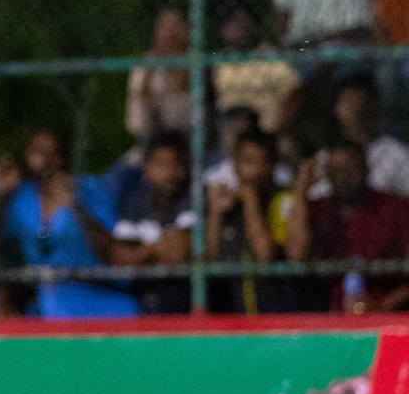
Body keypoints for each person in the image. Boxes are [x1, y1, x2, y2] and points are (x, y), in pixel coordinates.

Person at [0, 127, 138, 319]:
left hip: (104, 301)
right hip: (51, 309)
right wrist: (1, 197)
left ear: (65, 156)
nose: (46, 160)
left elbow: (110, 250)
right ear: (27, 155)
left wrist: (76, 207)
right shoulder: (21, 199)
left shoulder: (89, 188)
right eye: (39, 152)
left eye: (54, 153)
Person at [288, 142, 409, 313]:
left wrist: (383, 306)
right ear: (327, 174)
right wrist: (301, 190)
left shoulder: (395, 208)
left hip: (390, 315)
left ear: (366, 169)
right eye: (336, 170)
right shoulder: (317, 210)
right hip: (326, 316)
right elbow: (295, 256)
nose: (344, 176)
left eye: (351, 168)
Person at [206, 130, 297, 315]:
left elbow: (265, 256)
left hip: (278, 318)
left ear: (274, 164)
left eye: (264, 162)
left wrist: (250, 201)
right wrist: (215, 215)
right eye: (249, 162)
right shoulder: (228, 208)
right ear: (235, 165)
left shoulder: (285, 201)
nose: (258, 170)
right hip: (233, 322)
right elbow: (209, 260)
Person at [111, 133, 194, 315]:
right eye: (162, 164)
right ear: (146, 167)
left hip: (186, 302)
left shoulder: (193, 198)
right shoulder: (134, 202)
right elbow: (122, 258)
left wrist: (145, 252)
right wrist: (158, 248)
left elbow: (180, 253)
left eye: (177, 164)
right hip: (144, 301)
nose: (170, 172)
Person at [210, 0, 300, 136]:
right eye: (230, 22)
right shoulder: (219, 63)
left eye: (241, 20)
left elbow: (295, 91)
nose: (236, 27)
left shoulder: (269, 56)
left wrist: (279, 130)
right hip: (229, 137)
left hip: (266, 134)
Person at [126, 7, 193, 146]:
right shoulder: (145, 64)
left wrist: (178, 64)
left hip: (184, 140)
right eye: (163, 27)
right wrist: (151, 67)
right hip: (148, 139)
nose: (167, 33)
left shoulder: (193, 63)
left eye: (173, 27)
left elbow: (178, 115)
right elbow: (137, 116)